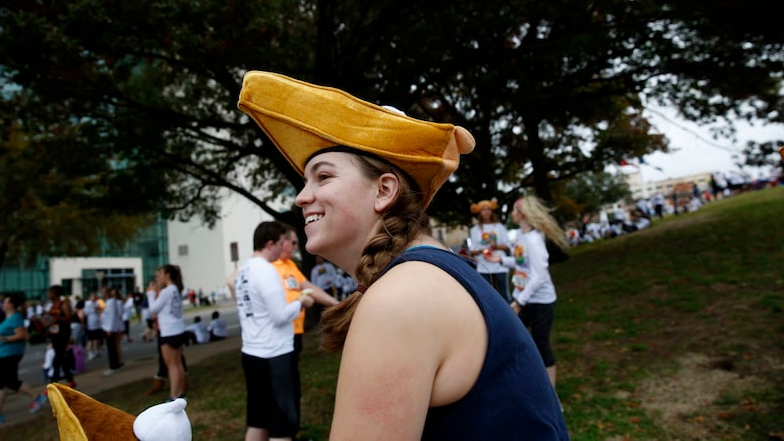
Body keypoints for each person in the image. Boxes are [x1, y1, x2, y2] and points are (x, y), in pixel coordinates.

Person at [238, 71, 568, 439]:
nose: (301, 198)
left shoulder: (398, 299)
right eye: (304, 182)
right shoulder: (428, 272)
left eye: (323, 177)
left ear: (384, 191)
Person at [233, 221, 315, 441]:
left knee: (258, 420)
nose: (283, 248)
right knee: (281, 426)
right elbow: (279, 315)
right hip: (274, 354)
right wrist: (301, 302)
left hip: (251, 353)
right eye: (281, 243)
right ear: (269, 244)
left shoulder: (242, 270)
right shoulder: (267, 270)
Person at [272, 227, 339, 428]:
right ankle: (282, 428)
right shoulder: (267, 267)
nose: (295, 246)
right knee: (281, 386)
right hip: (279, 334)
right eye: (292, 243)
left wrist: (337, 306)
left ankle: (291, 427)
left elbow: (311, 287)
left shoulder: (290, 265)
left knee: (292, 382)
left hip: (296, 332)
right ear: (280, 242)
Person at [507, 195, 569, 389]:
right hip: (525, 297)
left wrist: (518, 301)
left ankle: (551, 393)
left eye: (515, 210)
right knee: (514, 337)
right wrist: (499, 261)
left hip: (541, 301)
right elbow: (520, 263)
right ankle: (526, 379)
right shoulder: (520, 236)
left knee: (541, 344)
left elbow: (539, 276)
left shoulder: (534, 240)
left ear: (523, 214)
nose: (512, 213)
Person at [0, 294, 48, 428]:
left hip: (9, 353)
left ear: (11, 305)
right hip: (3, 353)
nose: (2, 304)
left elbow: (22, 335)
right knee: (9, 381)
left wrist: (2, 338)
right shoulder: (9, 318)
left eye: (5, 302)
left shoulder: (16, 317)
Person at [148, 264, 188, 401]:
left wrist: (151, 293)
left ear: (167, 275)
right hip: (178, 329)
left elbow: (153, 308)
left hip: (168, 332)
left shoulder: (166, 291)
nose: (157, 278)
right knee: (178, 363)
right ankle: (180, 392)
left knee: (171, 365)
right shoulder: (175, 289)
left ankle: (173, 395)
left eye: (160, 274)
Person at [468, 198, 514, 302]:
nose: (486, 211)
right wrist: (482, 250)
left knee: (504, 295)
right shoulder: (475, 230)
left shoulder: (499, 227)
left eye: (488, 209)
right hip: (484, 267)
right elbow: (472, 251)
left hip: (500, 266)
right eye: (483, 209)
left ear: (492, 211)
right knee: (488, 296)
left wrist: (496, 246)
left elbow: (507, 246)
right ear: (479, 212)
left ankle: (510, 316)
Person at [42, 285, 75, 388]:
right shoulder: (52, 305)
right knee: (61, 357)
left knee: (57, 359)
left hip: (63, 333)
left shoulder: (63, 304)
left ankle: (53, 383)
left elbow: (68, 318)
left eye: (50, 292)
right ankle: (70, 380)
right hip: (54, 334)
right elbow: (50, 319)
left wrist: (58, 317)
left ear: (55, 293)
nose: (48, 294)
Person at [101, 287, 125, 375]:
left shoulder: (112, 302)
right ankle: (115, 364)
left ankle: (113, 366)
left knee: (112, 348)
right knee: (112, 347)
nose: (103, 294)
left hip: (110, 328)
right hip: (107, 327)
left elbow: (112, 316)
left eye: (104, 292)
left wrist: (110, 329)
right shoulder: (108, 302)